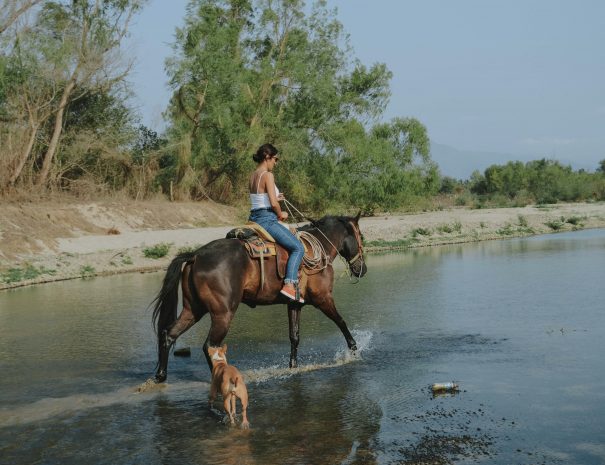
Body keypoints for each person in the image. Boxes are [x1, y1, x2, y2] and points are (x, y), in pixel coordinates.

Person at [248, 143, 305, 303]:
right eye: (275, 159)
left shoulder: (253, 175)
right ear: (267, 157)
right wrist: (281, 213)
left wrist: (276, 198)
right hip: (266, 219)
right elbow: (273, 204)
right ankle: (289, 284)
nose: (276, 162)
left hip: (254, 218)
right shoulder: (267, 175)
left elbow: (260, 199)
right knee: (298, 247)